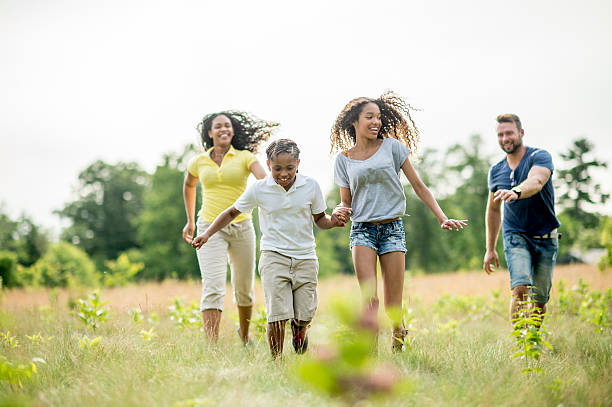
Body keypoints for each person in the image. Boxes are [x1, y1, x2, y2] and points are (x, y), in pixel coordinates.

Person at [331, 91, 467, 352]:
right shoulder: (343, 159)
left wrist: (442, 217)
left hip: (393, 229)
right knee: (369, 298)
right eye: (369, 117)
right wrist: (339, 210)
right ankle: (370, 356)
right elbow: (345, 202)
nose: (376, 122)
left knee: (393, 306)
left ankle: (399, 346)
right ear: (354, 122)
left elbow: (418, 185)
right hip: (362, 231)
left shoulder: (392, 147)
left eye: (378, 117)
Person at [192, 139, 351, 358]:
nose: (283, 174)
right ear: (268, 165)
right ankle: (276, 363)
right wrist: (207, 233)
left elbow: (320, 219)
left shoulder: (311, 186)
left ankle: (300, 329)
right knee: (277, 314)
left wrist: (334, 221)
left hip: (305, 256)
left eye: (289, 168)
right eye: (277, 168)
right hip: (273, 255)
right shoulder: (259, 189)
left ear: (298, 163)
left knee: (305, 312)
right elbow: (231, 213)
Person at [182, 110, 278, 344]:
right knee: (213, 286)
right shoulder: (198, 160)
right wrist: (190, 220)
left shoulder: (245, 157)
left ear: (233, 131)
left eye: (227, 125)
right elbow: (189, 185)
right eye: (218, 126)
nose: (224, 129)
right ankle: (212, 346)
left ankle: (244, 337)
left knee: (244, 289)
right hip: (209, 228)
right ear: (210, 132)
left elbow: (263, 179)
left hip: (242, 227)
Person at [484, 113, 560, 322]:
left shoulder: (539, 157)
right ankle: (521, 346)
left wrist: (516, 191)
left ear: (521, 133)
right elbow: (492, 209)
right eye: (500, 134)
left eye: (509, 133)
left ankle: (532, 344)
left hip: (546, 236)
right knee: (520, 290)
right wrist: (490, 249)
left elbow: (536, 181)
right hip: (516, 235)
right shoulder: (496, 171)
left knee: (539, 300)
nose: (505, 138)